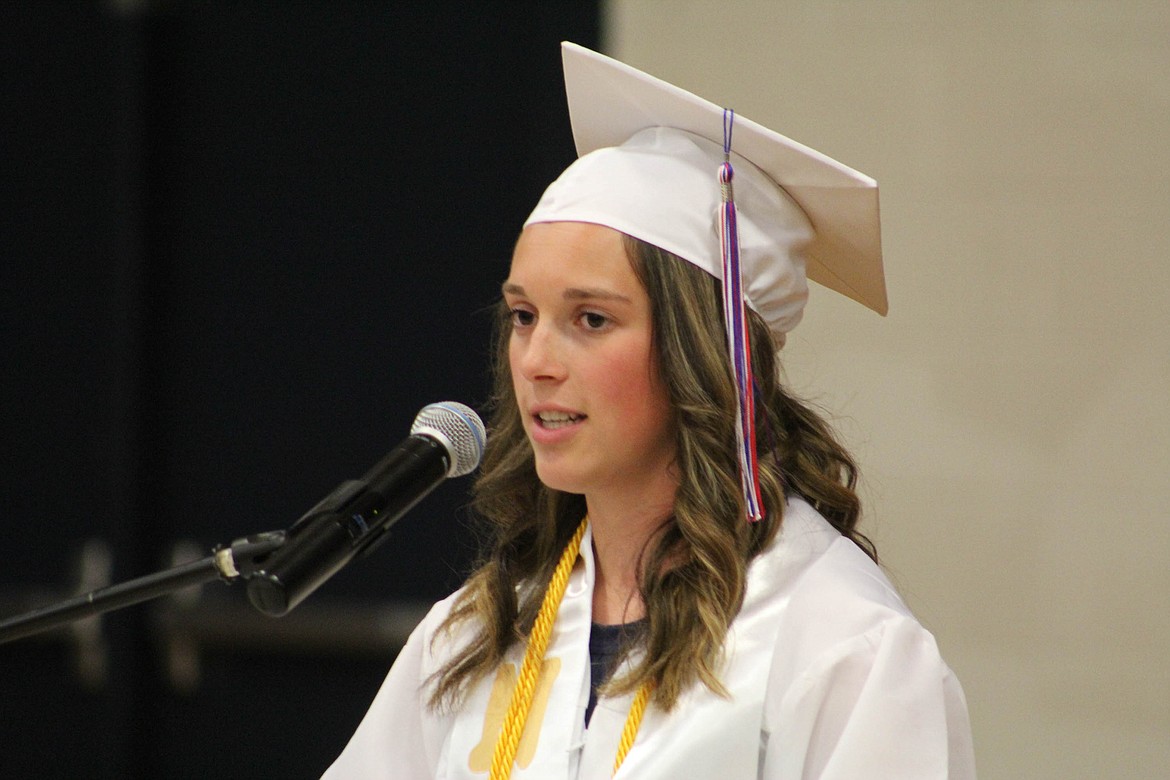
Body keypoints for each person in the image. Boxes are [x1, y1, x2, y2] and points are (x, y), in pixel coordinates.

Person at [323, 42, 976, 779]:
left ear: (704, 356)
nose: (536, 360)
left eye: (591, 320)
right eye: (523, 315)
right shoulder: (479, 631)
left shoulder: (838, 645)